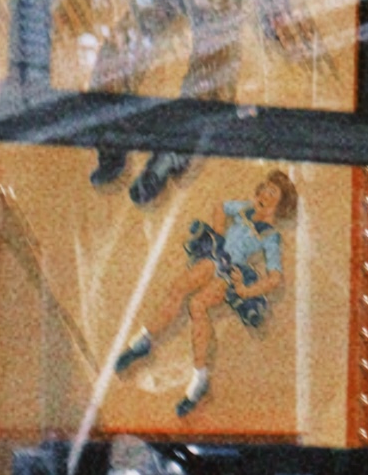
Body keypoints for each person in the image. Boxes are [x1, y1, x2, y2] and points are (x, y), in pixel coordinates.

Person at [111, 168, 299, 417]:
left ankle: (200, 380)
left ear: (280, 204)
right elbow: (221, 207)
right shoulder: (245, 210)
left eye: (272, 192)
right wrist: (218, 238)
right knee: (178, 288)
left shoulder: (271, 237)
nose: (263, 191)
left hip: (231, 272)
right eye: (264, 186)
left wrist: (246, 289)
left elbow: (275, 278)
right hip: (215, 259)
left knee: (198, 306)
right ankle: (144, 341)